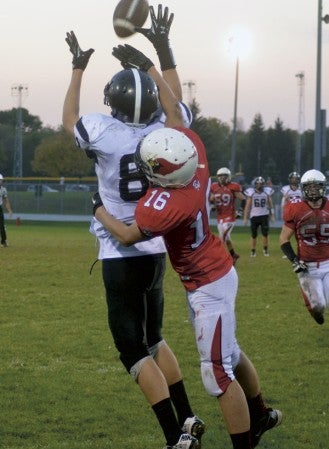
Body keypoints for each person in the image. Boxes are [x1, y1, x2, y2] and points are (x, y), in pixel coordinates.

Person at [92, 88, 282, 449]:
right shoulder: (196, 165)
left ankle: (248, 438)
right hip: (217, 271)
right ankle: (259, 413)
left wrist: (99, 210)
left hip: (206, 283)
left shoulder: (162, 205)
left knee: (216, 374)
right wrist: (158, 60)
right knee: (231, 353)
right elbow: (176, 117)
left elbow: (129, 235)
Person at [62, 6, 204, 449]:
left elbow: (70, 120)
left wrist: (77, 69)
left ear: (115, 102)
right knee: (156, 338)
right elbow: (175, 106)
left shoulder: (104, 132)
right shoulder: (163, 132)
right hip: (155, 249)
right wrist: (162, 54)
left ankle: (174, 438)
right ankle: (189, 417)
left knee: (133, 351)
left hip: (119, 253)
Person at [279, 169, 329, 325]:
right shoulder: (295, 209)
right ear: (303, 189)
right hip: (308, 265)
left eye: (316, 186)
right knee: (318, 306)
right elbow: (283, 238)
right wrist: (294, 261)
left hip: (328, 261)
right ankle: (313, 309)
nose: (313, 191)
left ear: (323, 187)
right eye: (309, 187)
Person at [209, 167, 245, 265]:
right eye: (220, 176)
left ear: (228, 177)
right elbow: (211, 199)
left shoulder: (233, 187)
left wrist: (241, 210)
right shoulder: (214, 187)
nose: (222, 178)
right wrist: (212, 205)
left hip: (230, 216)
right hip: (220, 217)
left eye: (224, 176)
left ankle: (220, 259)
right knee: (227, 238)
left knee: (223, 237)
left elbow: (243, 199)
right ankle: (233, 255)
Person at [243, 177, 275, 257]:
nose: (259, 185)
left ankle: (265, 249)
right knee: (254, 235)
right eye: (258, 184)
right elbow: (247, 206)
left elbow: (271, 205)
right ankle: (253, 250)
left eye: (261, 184)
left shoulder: (267, 193)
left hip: (264, 215)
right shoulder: (252, 193)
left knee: (265, 234)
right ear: (255, 184)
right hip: (254, 216)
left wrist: (272, 215)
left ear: (263, 184)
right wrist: (245, 218)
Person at [0, 173, 13, 247]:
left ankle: (3, 241)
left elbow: (6, 201)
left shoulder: (3, 190)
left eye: (1, 180)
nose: (0, 182)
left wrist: (9, 210)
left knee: (2, 226)